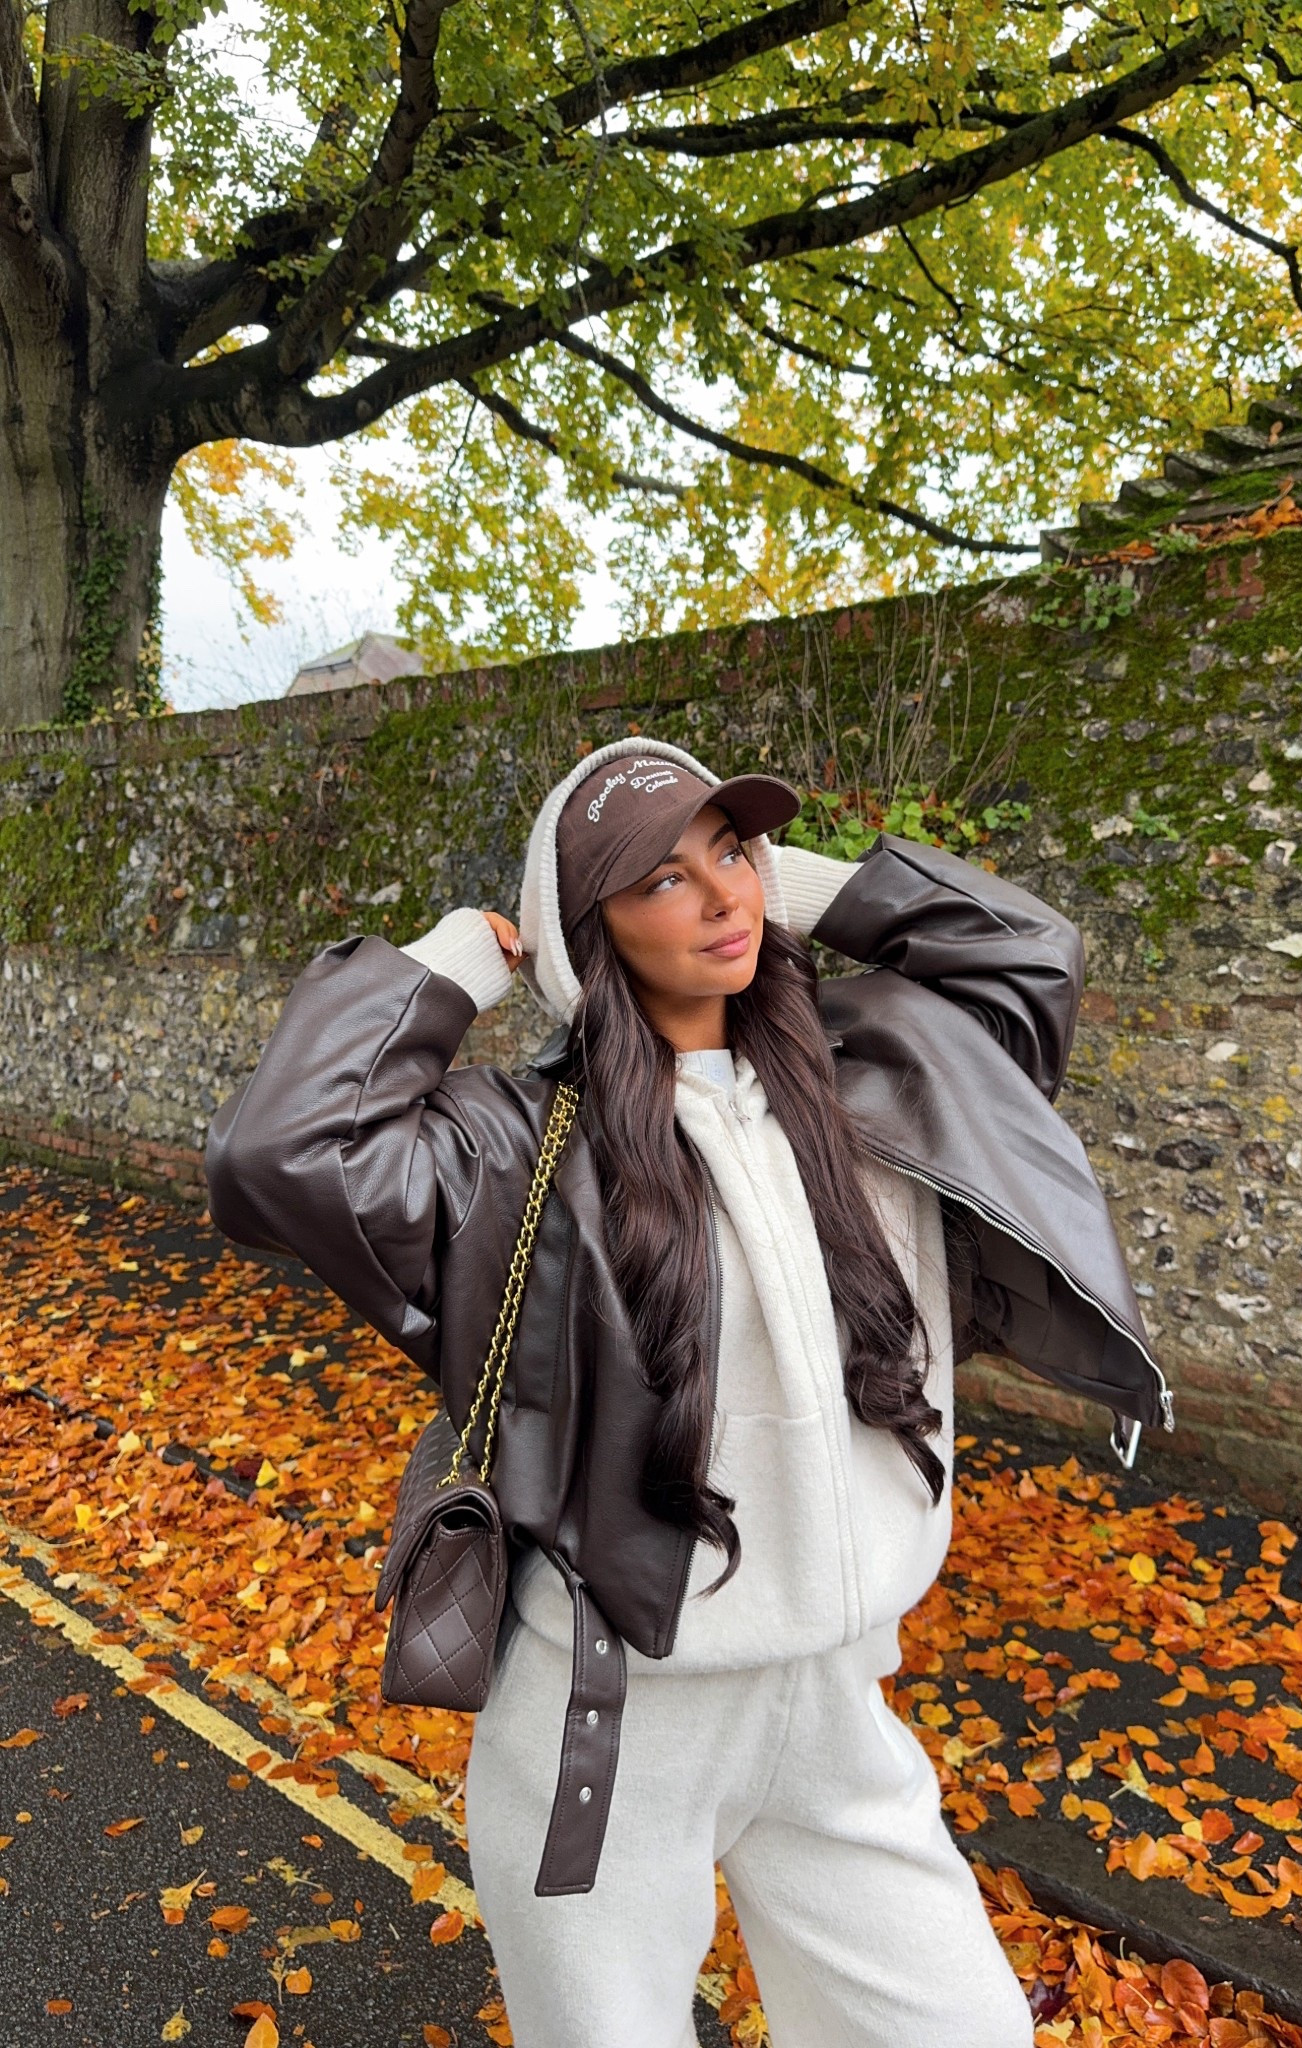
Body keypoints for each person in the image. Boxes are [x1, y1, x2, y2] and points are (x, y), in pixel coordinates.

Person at [205, 737, 1171, 2048]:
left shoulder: (875, 1075)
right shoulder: (509, 1146)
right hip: (613, 1724)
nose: (721, 897)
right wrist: (457, 962)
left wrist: (799, 884)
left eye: (730, 851)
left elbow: (1029, 956)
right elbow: (281, 1154)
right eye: (661, 877)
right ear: (589, 931)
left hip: (835, 1701)